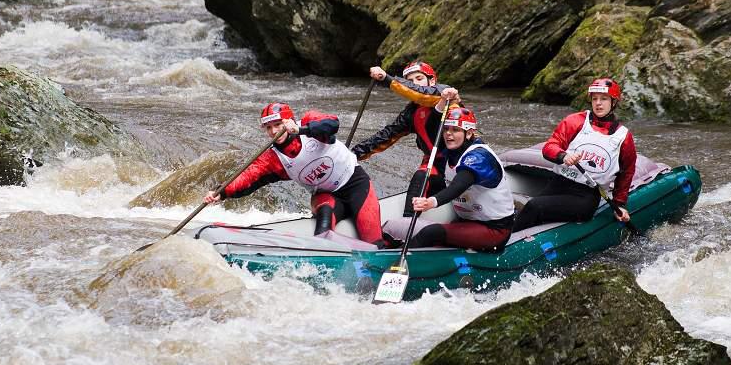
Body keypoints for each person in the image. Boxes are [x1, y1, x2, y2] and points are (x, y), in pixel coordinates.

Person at [204, 102, 385, 247]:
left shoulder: (309, 122)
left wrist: (302, 130)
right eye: (268, 127)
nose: (274, 131)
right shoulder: (272, 158)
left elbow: (332, 124)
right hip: (325, 195)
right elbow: (248, 177)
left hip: (355, 183)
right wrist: (220, 191)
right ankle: (324, 256)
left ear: (289, 121)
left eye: (278, 124)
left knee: (373, 241)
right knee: (323, 227)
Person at [512, 78, 637, 232]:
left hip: (585, 197)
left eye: (604, 99)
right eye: (595, 98)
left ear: (614, 102)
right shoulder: (575, 121)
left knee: (534, 206)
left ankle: (504, 244)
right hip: (558, 184)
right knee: (527, 210)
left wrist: (619, 204)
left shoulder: (624, 137)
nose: (598, 103)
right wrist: (562, 156)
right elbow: (549, 147)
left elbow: (627, 173)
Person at [409, 97, 516, 252]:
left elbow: (459, 185)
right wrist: (442, 102)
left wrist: (431, 202)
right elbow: (430, 129)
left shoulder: (479, 157)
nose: (448, 134)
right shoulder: (450, 150)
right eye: (446, 129)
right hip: (467, 221)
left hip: (495, 229)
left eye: (455, 130)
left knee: (431, 233)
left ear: (469, 133)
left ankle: (397, 264)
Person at [351, 60, 455, 217]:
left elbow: (420, 93)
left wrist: (387, 78)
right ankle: (406, 224)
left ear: (432, 80)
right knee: (421, 174)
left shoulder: (445, 93)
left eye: (419, 78)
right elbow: (385, 136)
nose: (414, 84)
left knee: (424, 174)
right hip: (435, 167)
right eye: (410, 81)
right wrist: (350, 155)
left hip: (459, 162)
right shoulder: (411, 113)